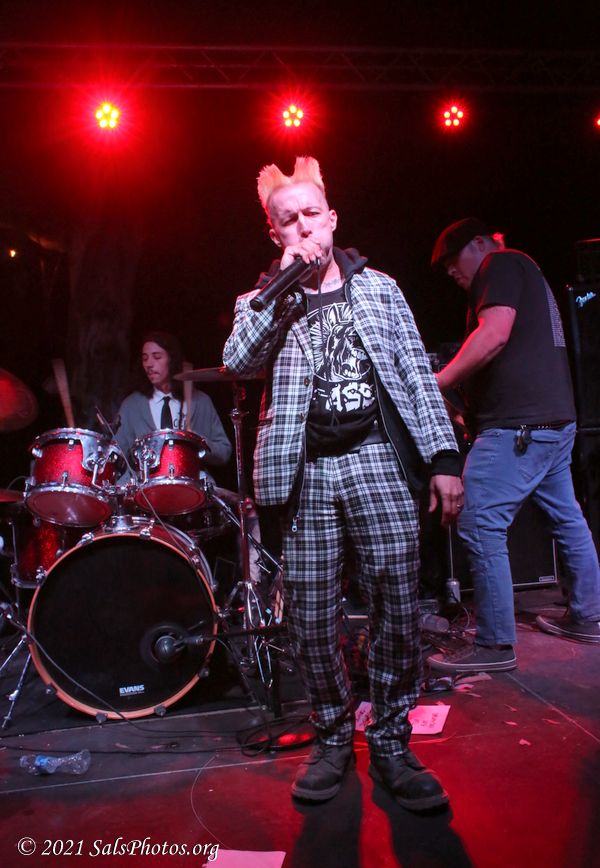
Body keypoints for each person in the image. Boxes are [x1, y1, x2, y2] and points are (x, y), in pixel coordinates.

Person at [222, 157, 463, 810]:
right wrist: (282, 292)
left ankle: (390, 739)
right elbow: (237, 360)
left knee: (397, 601)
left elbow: (414, 372)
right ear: (275, 233)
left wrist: (444, 457)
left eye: (310, 214)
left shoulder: (379, 289)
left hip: (376, 456)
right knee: (309, 615)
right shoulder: (261, 300)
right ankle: (332, 736)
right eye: (288, 220)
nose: (302, 226)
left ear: (331, 218)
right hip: (305, 471)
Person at [428, 218, 600, 676]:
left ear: (480, 243)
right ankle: (589, 616)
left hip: (520, 427)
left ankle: (495, 643)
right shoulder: (526, 271)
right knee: (566, 518)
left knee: (479, 518)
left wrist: (437, 381)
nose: (450, 271)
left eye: (453, 260)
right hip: (553, 421)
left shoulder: (500, 264)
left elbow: (495, 334)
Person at [115, 330, 232, 485]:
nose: (149, 364)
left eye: (157, 357)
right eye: (145, 358)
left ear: (171, 359)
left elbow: (224, 453)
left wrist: (198, 441)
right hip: (146, 490)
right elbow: (117, 456)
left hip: (193, 486)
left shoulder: (200, 402)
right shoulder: (132, 405)